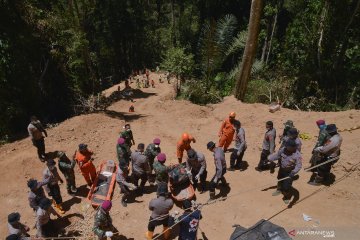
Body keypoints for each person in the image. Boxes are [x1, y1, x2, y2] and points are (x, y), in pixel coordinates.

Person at [268, 139, 302, 204]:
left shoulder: (297, 155)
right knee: (279, 180)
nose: (286, 147)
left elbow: (299, 165)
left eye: (288, 146)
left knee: (287, 186)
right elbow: (277, 155)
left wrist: (294, 172)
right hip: (282, 169)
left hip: (289, 172)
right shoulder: (283, 149)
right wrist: (269, 158)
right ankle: (279, 190)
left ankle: (287, 196)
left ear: (292, 147)